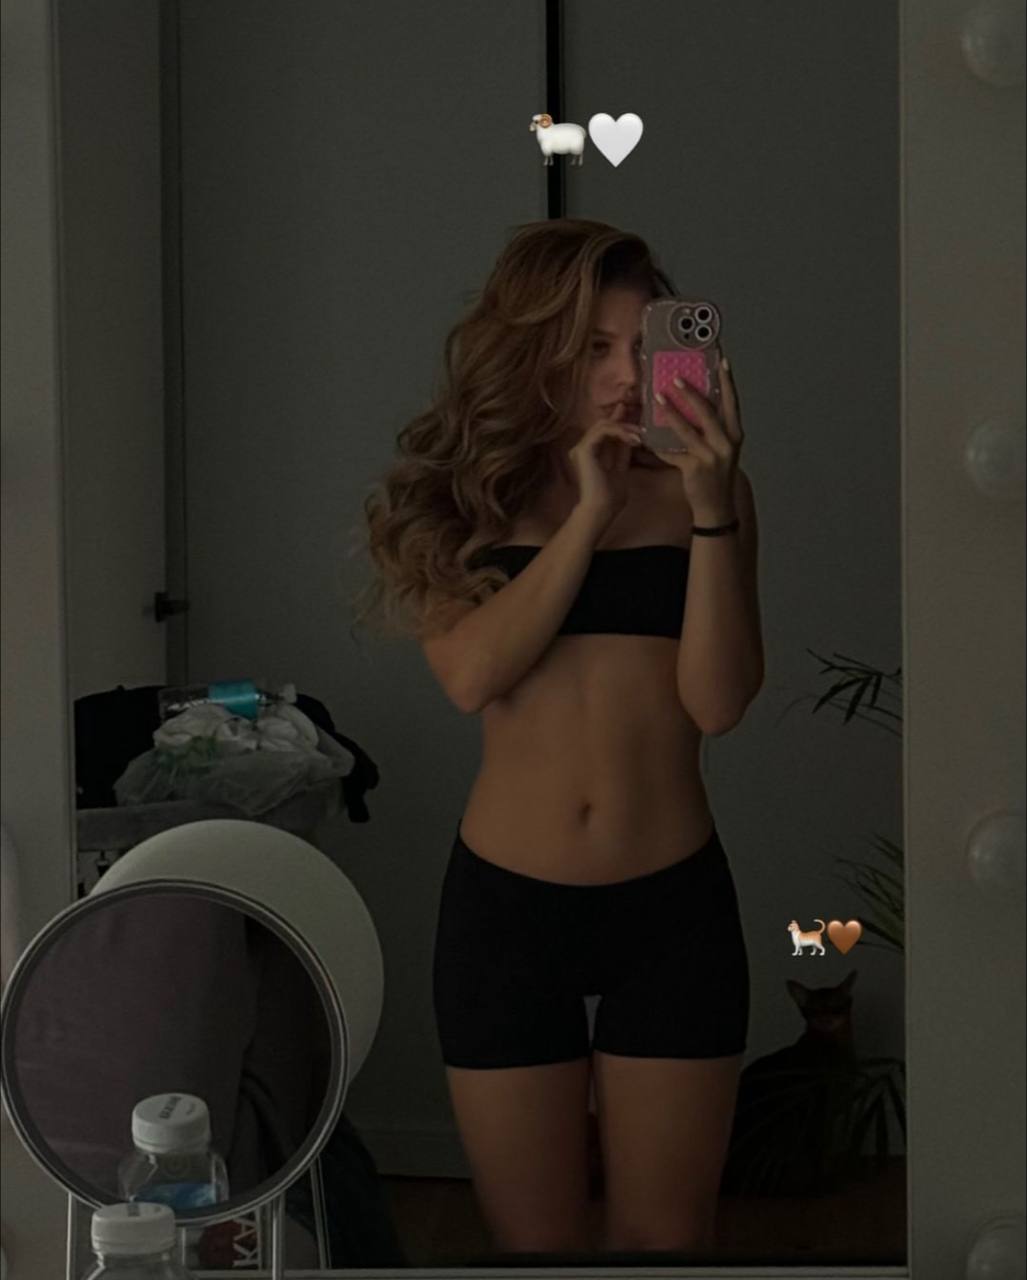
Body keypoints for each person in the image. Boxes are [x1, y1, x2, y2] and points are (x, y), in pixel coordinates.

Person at [351, 219, 764, 1257]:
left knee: (664, 1245)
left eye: (640, 344)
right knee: (535, 1254)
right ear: (533, 350)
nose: (624, 375)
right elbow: (471, 675)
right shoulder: (464, 500)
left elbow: (718, 703)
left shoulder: (704, 496)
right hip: (506, 915)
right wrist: (587, 517)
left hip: (671, 907)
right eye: (592, 349)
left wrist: (710, 507)